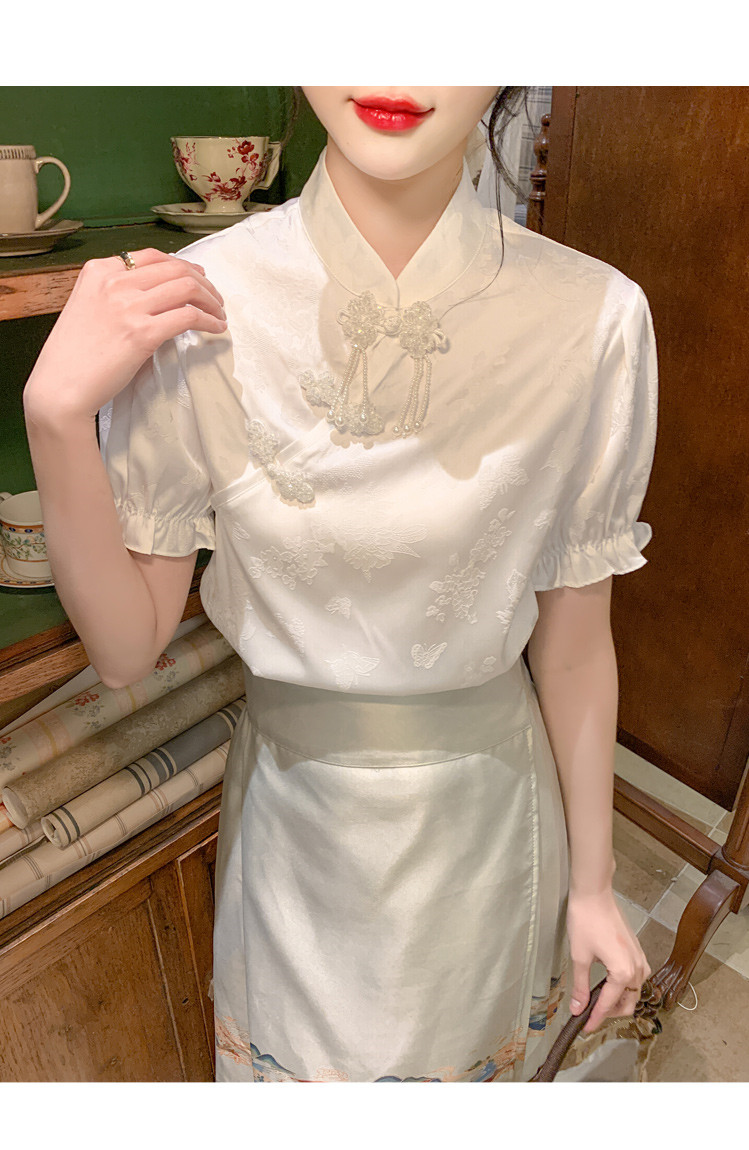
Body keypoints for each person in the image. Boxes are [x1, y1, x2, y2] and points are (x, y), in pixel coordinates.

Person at [23, 86, 657, 1083]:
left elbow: (575, 645)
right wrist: (56, 418)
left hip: (487, 825)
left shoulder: (594, 317)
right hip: (293, 828)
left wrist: (593, 882)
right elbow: (126, 649)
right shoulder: (193, 303)